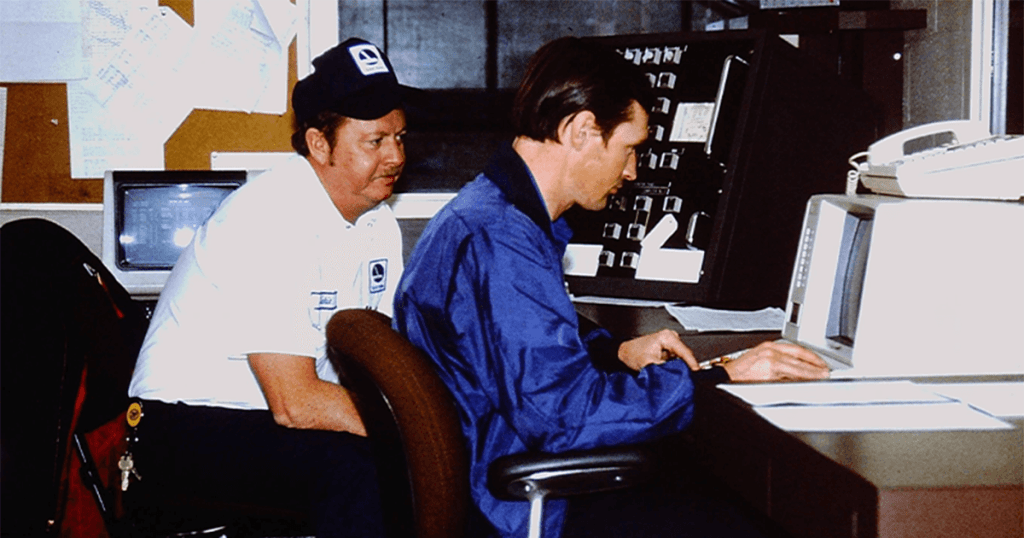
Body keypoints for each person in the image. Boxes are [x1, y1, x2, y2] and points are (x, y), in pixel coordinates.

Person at [392, 36, 830, 538]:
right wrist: (719, 379)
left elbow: (522, 350)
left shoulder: (485, 211)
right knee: (761, 521)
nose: (631, 171)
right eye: (629, 149)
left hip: (495, 466)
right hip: (520, 502)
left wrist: (617, 352)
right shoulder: (502, 241)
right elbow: (564, 420)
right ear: (581, 130)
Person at [126, 37, 412, 538]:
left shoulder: (378, 225)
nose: (395, 156)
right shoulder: (269, 217)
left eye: (401, 137)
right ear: (319, 144)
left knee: (407, 460)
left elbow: (380, 359)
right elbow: (295, 403)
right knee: (360, 465)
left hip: (267, 419)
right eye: (375, 141)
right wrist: (420, 425)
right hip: (180, 425)